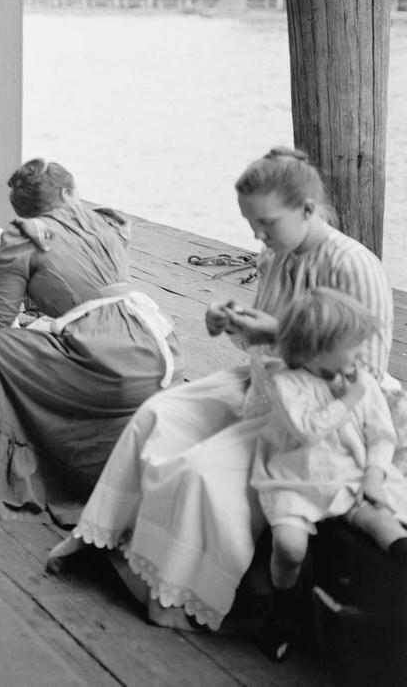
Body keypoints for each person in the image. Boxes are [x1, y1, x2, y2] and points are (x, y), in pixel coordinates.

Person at [47, 148, 402, 632]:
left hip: (315, 410)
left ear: (307, 209)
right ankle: (100, 539)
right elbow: (270, 330)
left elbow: (364, 368)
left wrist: (272, 335)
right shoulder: (278, 254)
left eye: (266, 222)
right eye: (251, 223)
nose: (258, 235)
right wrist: (236, 323)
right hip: (267, 381)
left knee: (200, 470)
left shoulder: (353, 266)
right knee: (160, 412)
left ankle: (176, 592)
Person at [0, 158, 182, 525]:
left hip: (105, 360)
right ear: (68, 193)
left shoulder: (23, 236)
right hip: (156, 345)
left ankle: (7, 470)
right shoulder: (109, 221)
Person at [248, 287, 407, 661]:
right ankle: (283, 612)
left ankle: (386, 608)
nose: (360, 354)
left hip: (349, 477)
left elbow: (381, 435)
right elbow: (307, 429)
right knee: (289, 545)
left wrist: (373, 474)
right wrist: (347, 400)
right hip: (295, 479)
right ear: (317, 346)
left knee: (386, 526)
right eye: (352, 345)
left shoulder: (361, 380)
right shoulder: (286, 383)